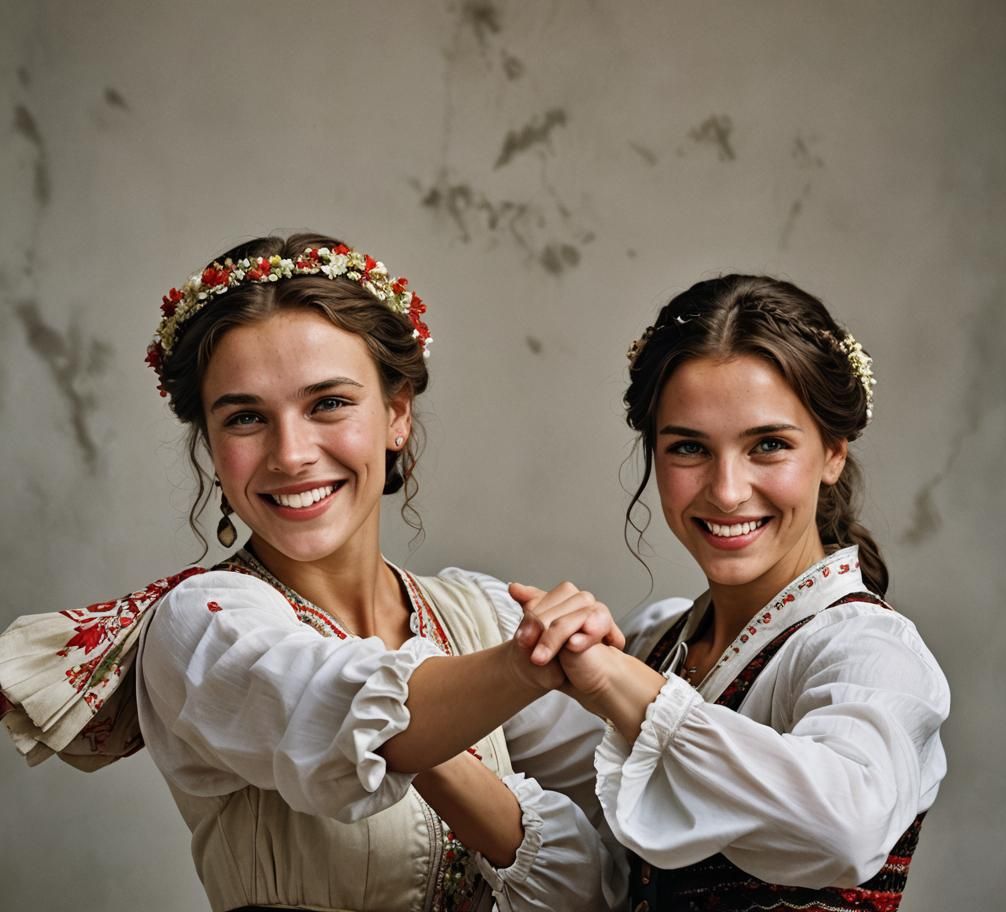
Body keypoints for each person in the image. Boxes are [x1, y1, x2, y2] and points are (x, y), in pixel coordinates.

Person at [0, 232, 626, 912]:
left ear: (396, 413)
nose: (292, 454)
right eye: (245, 417)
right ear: (210, 445)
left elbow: (609, 859)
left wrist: (576, 660)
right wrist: (531, 664)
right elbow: (340, 711)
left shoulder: (483, 613)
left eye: (328, 403)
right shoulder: (203, 629)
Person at [514, 274, 950, 912]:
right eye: (689, 447)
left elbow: (844, 829)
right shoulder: (655, 641)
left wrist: (620, 683)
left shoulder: (869, 653)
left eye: (768, 445)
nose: (726, 490)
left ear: (833, 450)